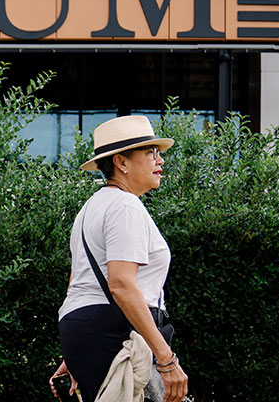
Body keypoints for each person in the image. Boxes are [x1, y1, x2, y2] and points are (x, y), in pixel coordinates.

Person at [50, 115, 188, 402]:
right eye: (150, 152)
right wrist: (167, 359)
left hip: (86, 328)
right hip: (116, 331)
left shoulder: (90, 208)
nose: (160, 160)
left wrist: (76, 353)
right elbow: (121, 285)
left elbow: (77, 284)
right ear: (121, 162)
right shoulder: (125, 206)